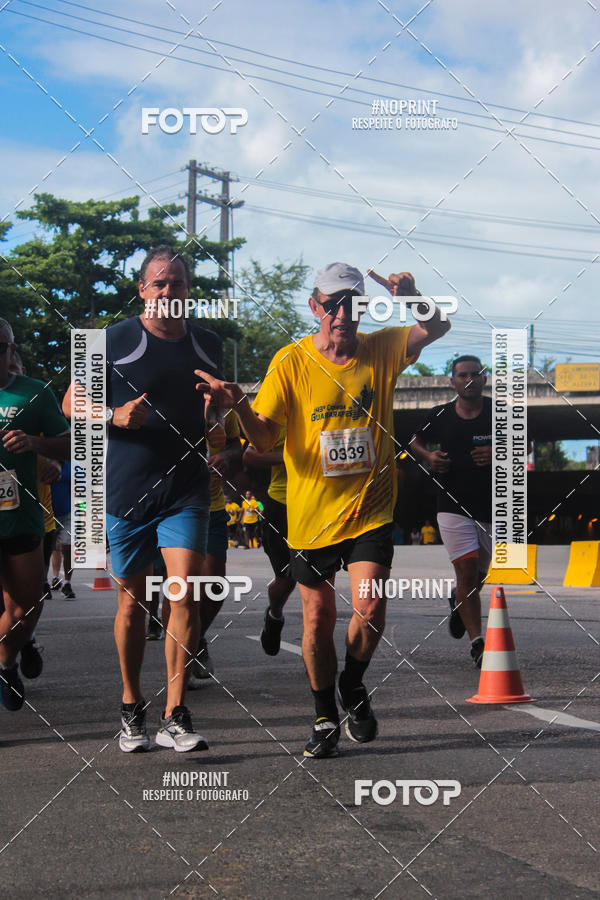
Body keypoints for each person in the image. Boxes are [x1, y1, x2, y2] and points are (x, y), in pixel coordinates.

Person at [196, 262, 450, 757]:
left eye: (351, 304)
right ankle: (323, 713)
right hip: (311, 515)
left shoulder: (382, 349)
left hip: (370, 509)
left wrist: (414, 293)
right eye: (331, 304)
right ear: (314, 307)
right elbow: (264, 436)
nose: (341, 314)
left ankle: (352, 684)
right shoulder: (290, 361)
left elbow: (437, 326)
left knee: (371, 605)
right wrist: (239, 405)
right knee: (316, 620)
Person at [62, 245, 223, 752]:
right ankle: (132, 707)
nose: (170, 291)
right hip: (126, 488)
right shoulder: (111, 340)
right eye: (160, 283)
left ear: (188, 290)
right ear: (142, 289)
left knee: (184, 593)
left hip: (186, 489)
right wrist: (112, 416)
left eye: (178, 283)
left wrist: (218, 424)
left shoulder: (209, 342)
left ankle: (176, 711)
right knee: (131, 603)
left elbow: (212, 410)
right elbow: (70, 403)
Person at [0, 319, 70, 710]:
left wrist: (33, 442)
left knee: (24, 611)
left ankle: (7, 659)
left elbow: (70, 445)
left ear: (11, 350)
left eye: (0, 347)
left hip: (23, 518)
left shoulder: (35, 393)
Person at [410, 355, 492, 668]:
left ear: (483, 378)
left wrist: (497, 452)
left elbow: (520, 446)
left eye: (475, 374)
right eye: (462, 375)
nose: (469, 380)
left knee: (478, 577)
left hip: (490, 507)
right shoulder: (440, 415)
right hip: (452, 506)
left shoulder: (500, 413)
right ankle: (478, 644)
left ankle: (458, 601)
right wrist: (428, 457)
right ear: (452, 381)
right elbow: (414, 439)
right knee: (468, 572)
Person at [243, 424, 296, 656]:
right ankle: (274, 615)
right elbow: (249, 454)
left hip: (320, 505)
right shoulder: (278, 415)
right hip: (281, 506)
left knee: (317, 587)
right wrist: (291, 457)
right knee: (286, 581)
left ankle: (319, 663)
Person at [50, 461, 76, 599]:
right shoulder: (44, 461)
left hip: (67, 514)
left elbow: (80, 489)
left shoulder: (71, 464)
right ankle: (50, 580)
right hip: (47, 513)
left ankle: (67, 583)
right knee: (51, 548)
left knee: (68, 547)